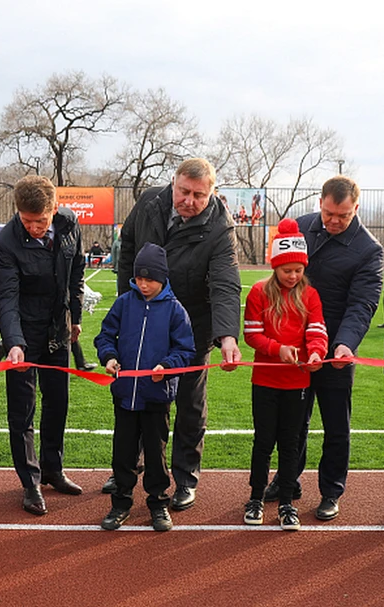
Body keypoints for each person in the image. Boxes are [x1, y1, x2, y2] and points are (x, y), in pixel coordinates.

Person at [109, 157, 242, 511]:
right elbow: (128, 250)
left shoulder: (220, 227)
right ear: (173, 183)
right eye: (184, 191)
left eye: (199, 194)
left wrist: (227, 335)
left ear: (211, 193)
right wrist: (130, 304)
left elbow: (226, 284)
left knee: (189, 405)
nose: (190, 200)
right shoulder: (150, 203)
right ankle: (128, 468)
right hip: (143, 325)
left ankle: (185, 477)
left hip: (190, 327)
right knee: (135, 395)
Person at [266, 176, 381, 520]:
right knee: (291, 421)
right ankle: (288, 479)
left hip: (334, 354)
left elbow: (362, 304)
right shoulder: (299, 228)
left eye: (342, 216)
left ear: (355, 209)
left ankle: (331, 490)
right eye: (329, 213)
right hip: (295, 351)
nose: (334, 221)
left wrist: (344, 345)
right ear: (320, 202)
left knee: (335, 426)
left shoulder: (368, 249)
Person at [0, 175, 87, 515]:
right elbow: (5, 298)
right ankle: (30, 483)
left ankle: (53, 470)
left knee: (58, 401)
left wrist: (74, 317)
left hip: (57, 327)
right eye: (26, 220)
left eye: (40, 221)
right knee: (23, 409)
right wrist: (14, 342)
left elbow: (76, 270)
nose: (33, 227)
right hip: (24, 331)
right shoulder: (4, 244)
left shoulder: (70, 224)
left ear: (55, 209)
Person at [95, 243, 196, 532]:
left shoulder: (175, 310)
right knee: (123, 454)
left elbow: (186, 349)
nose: (143, 284)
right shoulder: (125, 303)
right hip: (125, 394)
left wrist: (167, 366)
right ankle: (120, 503)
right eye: (139, 278)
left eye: (149, 279)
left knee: (156, 454)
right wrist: (110, 357)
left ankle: (158, 504)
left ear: (163, 278)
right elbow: (104, 336)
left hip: (157, 397)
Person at [243, 219, 327, 531]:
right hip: (265, 379)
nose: (293, 276)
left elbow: (317, 331)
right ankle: (255, 497)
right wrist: (277, 349)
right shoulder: (258, 293)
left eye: (298, 270)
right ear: (275, 267)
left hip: (298, 381)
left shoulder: (311, 296)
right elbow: (251, 334)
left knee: (291, 443)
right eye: (286, 270)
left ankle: (288, 503)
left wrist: (316, 352)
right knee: (263, 442)